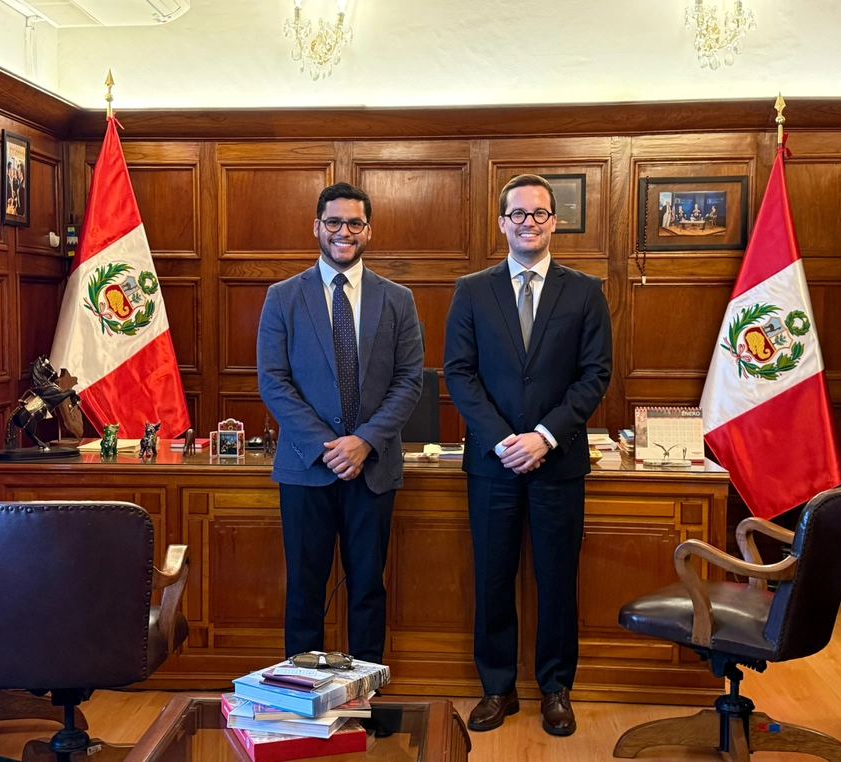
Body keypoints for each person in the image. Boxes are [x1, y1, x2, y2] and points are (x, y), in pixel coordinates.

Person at [444, 174, 612, 737]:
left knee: (557, 578)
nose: (528, 223)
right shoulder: (472, 290)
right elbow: (460, 375)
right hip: (492, 463)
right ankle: (497, 687)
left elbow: (595, 376)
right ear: (501, 223)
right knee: (492, 576)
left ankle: (556, 688)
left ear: (554, 222)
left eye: (539, 214)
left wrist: (544, 434)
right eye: (517, 214)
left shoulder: (585, 291)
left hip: (558, 462)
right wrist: (501, 439)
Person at [257, 182, 424, 665]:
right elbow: (274, 381)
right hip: (306, 467)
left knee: (368, 589)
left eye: (354, 223)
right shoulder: (283, 297)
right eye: (334, 222)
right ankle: (302, 699)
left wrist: (364, 443)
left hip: (372, 469)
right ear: (318, 227)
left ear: (368, 230)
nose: (343, 232)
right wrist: (329, 445)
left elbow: (409, 381)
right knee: (304, 590)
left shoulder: (398, 300)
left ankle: (366, 696)